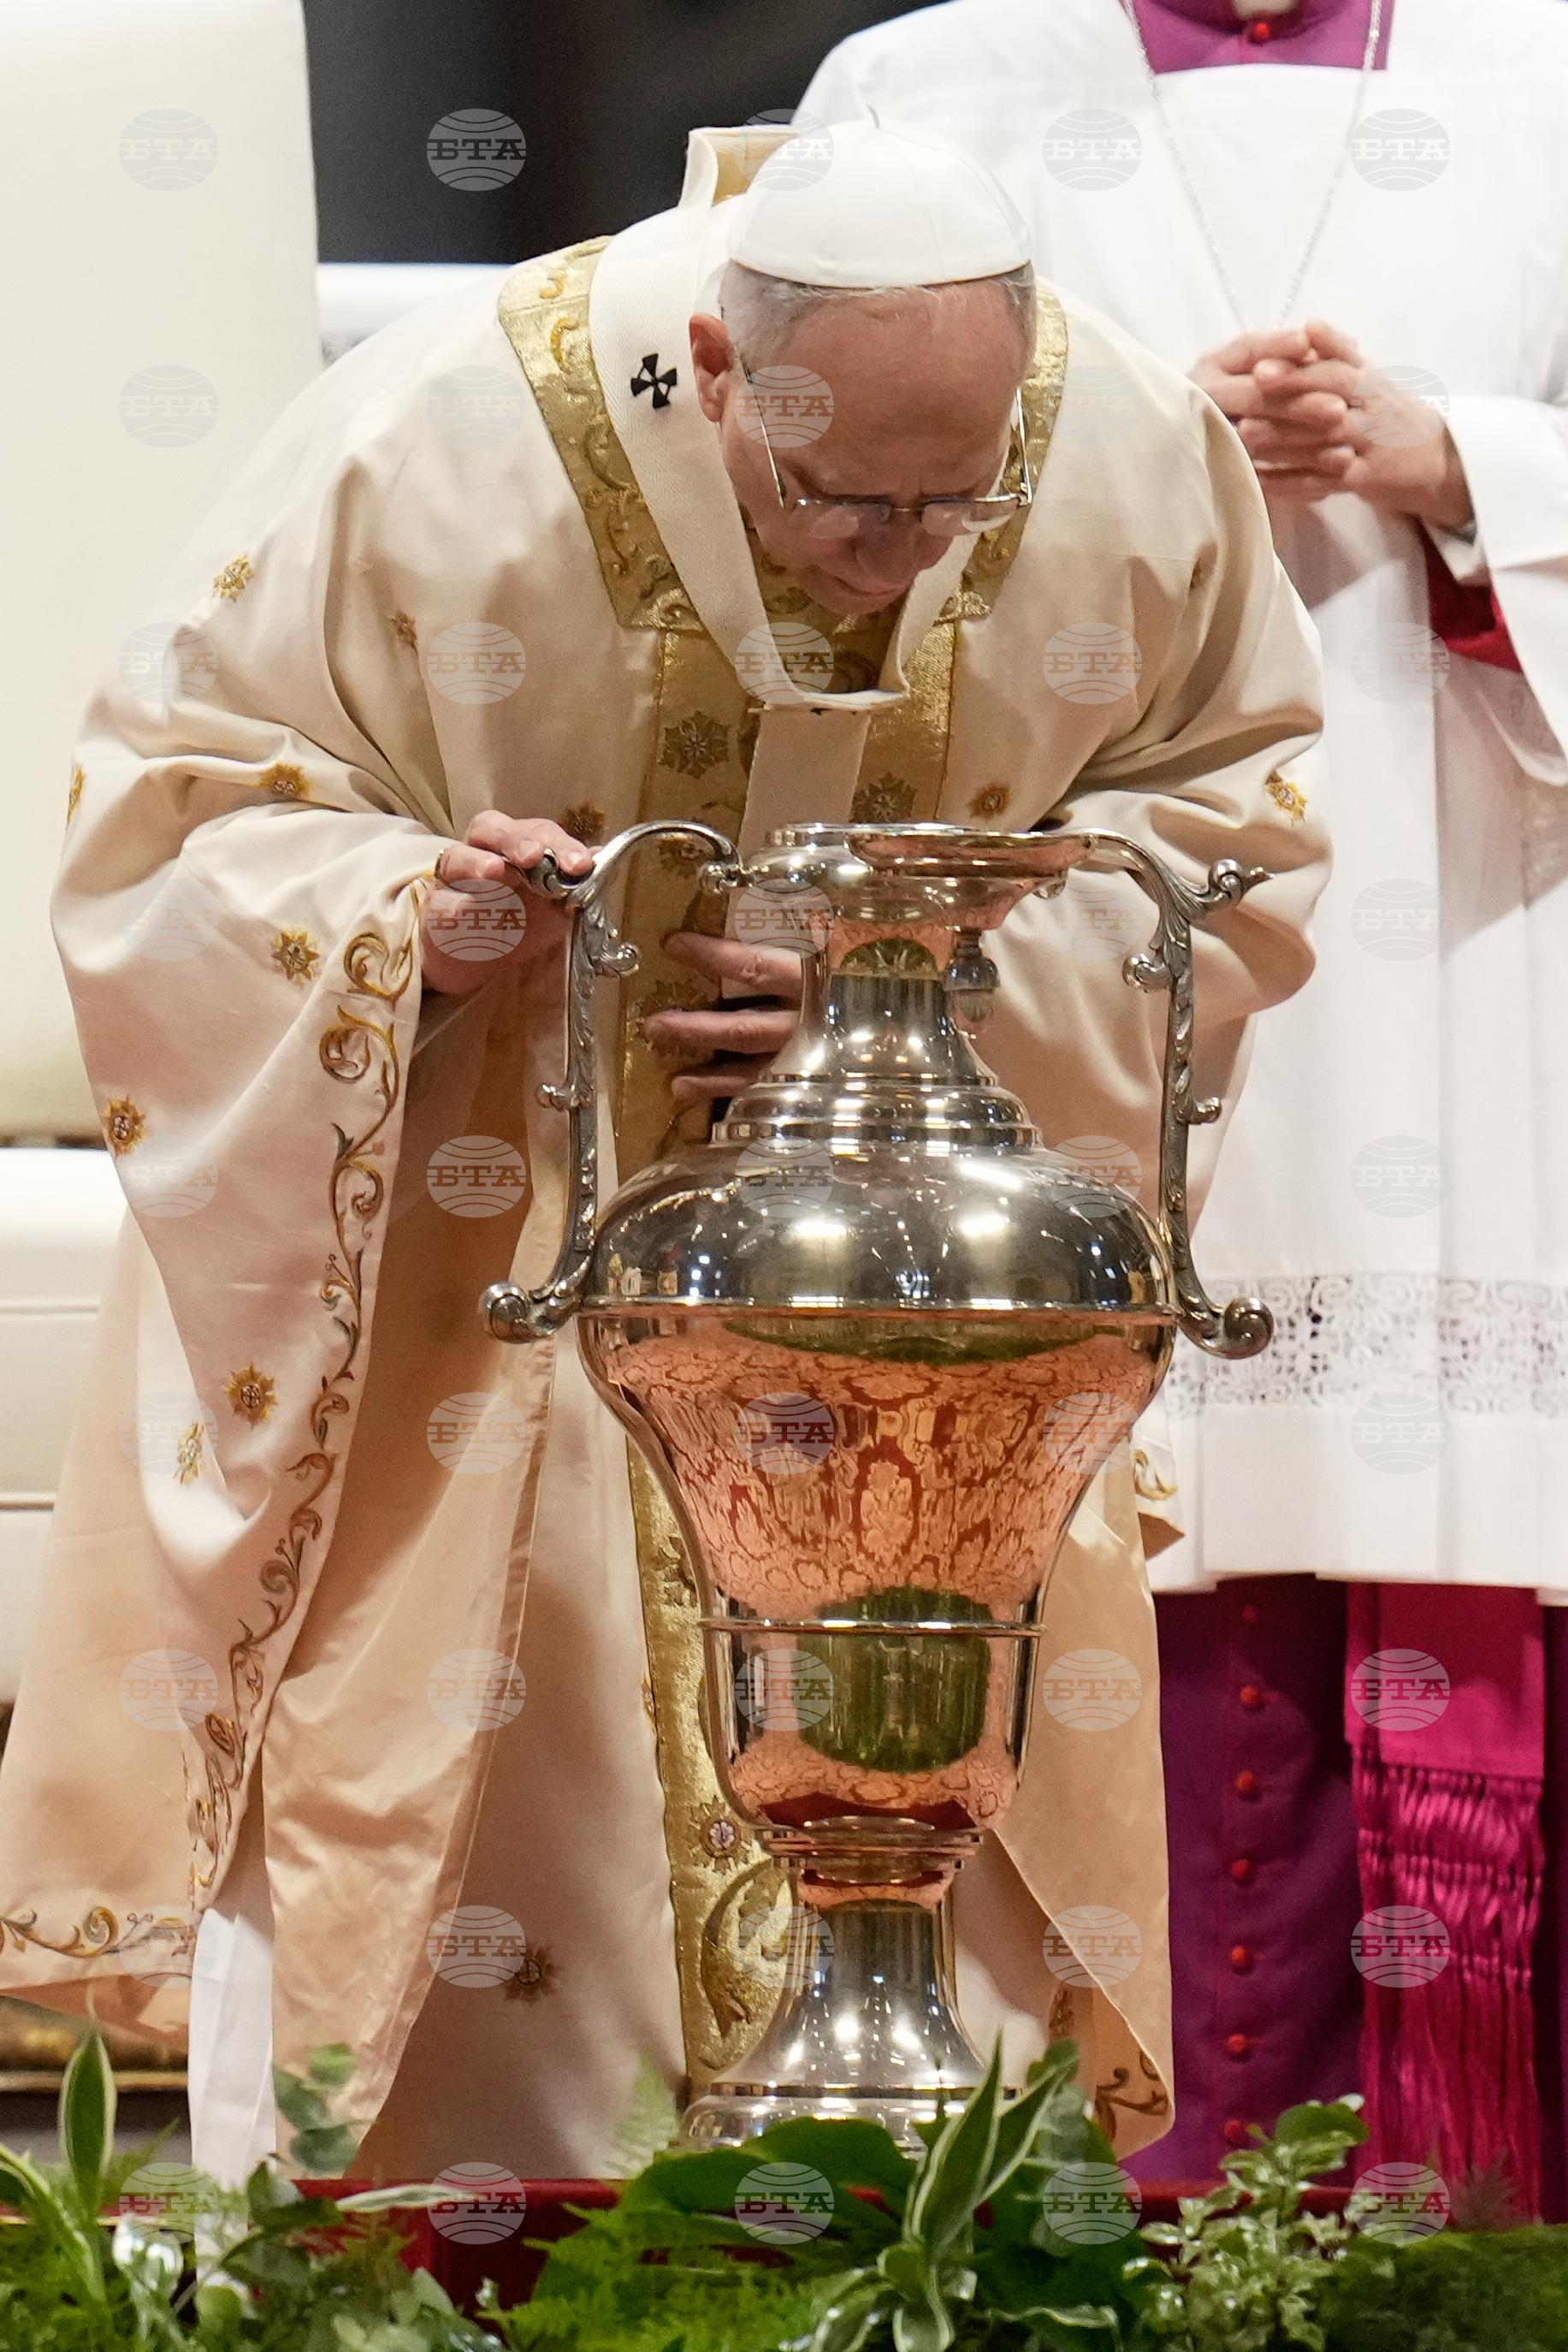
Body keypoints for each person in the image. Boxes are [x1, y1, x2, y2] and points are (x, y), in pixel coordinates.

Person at [0, 117, 1326, 2181]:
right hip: (504, 1282)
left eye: (946, 502)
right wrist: (411, 925)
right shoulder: (433, 442)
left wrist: (929, 997)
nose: (898, 557)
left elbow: (1234, 842)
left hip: (924, 1324)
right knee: (501, 1890)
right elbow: (171, 822)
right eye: (841, 496)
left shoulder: (1129, 450)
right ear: (714, 367)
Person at [802, 0, 1568, 2208]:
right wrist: (1117, 471)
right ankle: (1084, 2186)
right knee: (1116, 1532)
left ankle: (1450, 2205)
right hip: (1073, 958)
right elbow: (787, 517)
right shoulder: (927, 90)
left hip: (1480, 958)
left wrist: (1463, 469)